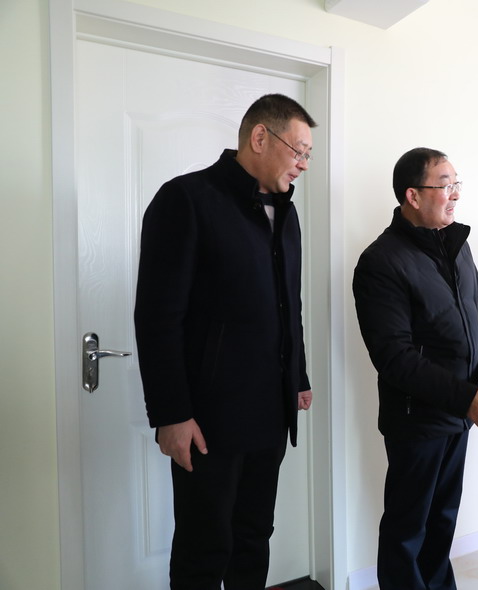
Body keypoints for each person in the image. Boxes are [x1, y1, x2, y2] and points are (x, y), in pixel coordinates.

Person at [134, 93, 315, 589]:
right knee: (203, 548)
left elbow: (289, 303)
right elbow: (157, 318)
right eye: (298, 150)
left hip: (270, 412)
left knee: (253, 537)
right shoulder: (186, 199)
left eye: (308, 155)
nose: (303, 164)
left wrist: (298, 375)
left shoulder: (288, 213)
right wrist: (171, 413)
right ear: (259, 137)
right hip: (208, 419)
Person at [352, 147, 478, 590]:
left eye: (457, 184)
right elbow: (394, 356)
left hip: (460, 412)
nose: (455, 194)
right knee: (407, 529)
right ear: (413, 195)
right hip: (417, 420)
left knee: (442, 521)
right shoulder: (381, 261)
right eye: (445, 185)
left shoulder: (456, 245)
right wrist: (466, 397)